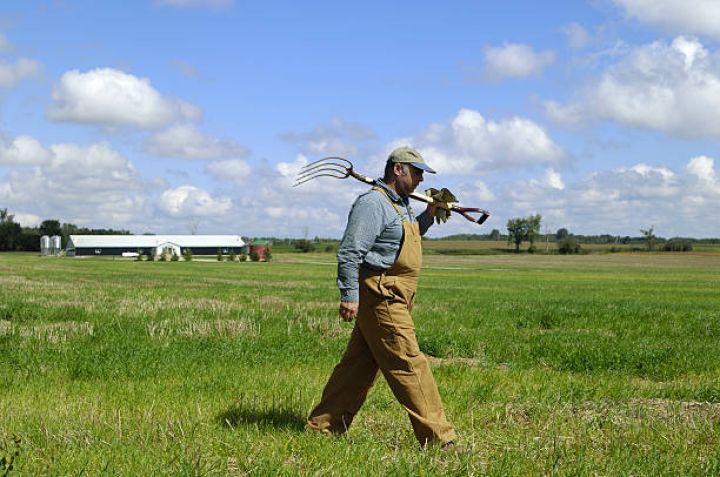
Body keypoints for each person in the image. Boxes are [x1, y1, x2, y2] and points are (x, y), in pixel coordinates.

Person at [307, 146, 457, 448]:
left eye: (422, 174)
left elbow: (404, 236)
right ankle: (440, 439)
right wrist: (349, 294)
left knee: (359, 365)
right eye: (416, 172)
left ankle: (324, 425)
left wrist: (429, 214)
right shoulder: (373, 203)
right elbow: (350, 251)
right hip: (381, 295)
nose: (419, 179)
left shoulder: (399, 204)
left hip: (397, 295)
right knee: (409, 363)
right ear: (397, 169)